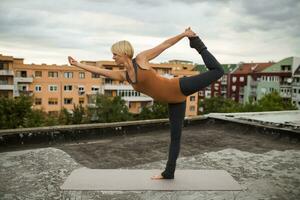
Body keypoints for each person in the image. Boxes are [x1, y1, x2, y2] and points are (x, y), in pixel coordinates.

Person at [68, 27, 224, 180]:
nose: (113, 57)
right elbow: (99, 71)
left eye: (115, 54)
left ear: (124, 53)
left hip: (179, 87)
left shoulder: (142, 59)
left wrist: (184, 35)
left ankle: (196, 43)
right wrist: (77, 64)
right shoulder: (124, 75)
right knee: (175, 137)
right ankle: (168, 173)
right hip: (174, 101)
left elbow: (165, 45)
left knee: (218, 71)